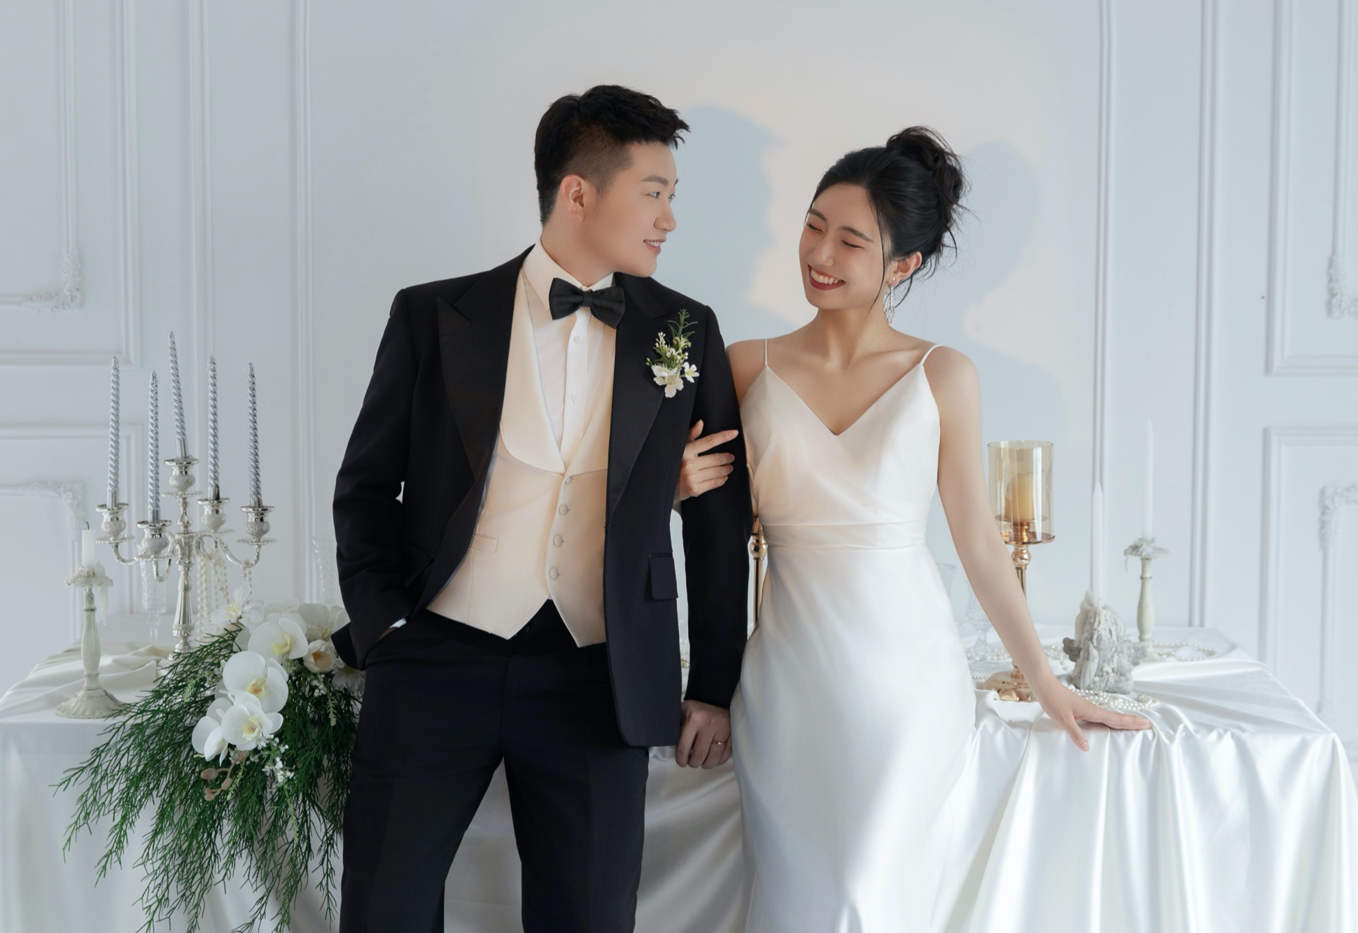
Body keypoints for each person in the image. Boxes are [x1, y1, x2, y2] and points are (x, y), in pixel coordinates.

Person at [676, 127, 1153, 932]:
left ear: (903, 265)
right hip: (787, 681)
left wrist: (1045, 681)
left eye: (851, 241)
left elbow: (978, 541)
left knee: (864, 891)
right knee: (799, 900)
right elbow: (713, 525)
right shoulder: (747, 363)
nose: (819, 253)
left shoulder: (943, 374)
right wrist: (671, 490)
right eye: (814, 225)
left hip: (906, 683)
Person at [330, 85, 751, 933]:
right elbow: (365, 487)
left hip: (597, 673)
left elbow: (717, 527)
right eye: (654, 193)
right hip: (436, 656)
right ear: (579, 193)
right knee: (383, 911)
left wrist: (712, 684)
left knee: (590, 918)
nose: (669, 219)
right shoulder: (433, 314)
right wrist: (386, 627)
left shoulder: (687, 329)